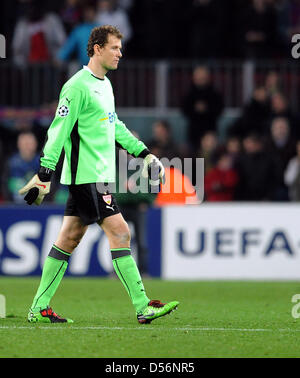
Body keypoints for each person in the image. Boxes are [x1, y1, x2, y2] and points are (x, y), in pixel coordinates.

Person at [19, 25, 179, 325]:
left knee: (69, 238)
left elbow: (115, 125)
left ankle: (39, 307)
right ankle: (143, 306)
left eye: (120, 48)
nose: (120, 53)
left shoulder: (104, 84)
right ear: (96, 49)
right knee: (120, 233)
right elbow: (59, 130)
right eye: (115, 47)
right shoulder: (77, 86)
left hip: (99, 176)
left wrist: (143, 153)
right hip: (86, 176)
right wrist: (44, 173)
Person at [181, 65, 224, 154]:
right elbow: (184, 110)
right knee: (193, 158)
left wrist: (206, 109)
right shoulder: (189, 94)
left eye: (203, 77)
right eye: (198, 76)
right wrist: (195, 109)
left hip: (210, 129)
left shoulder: (214, 94)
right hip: (193, 132)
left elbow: (219, 110)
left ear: (207, 77)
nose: (200, 79)